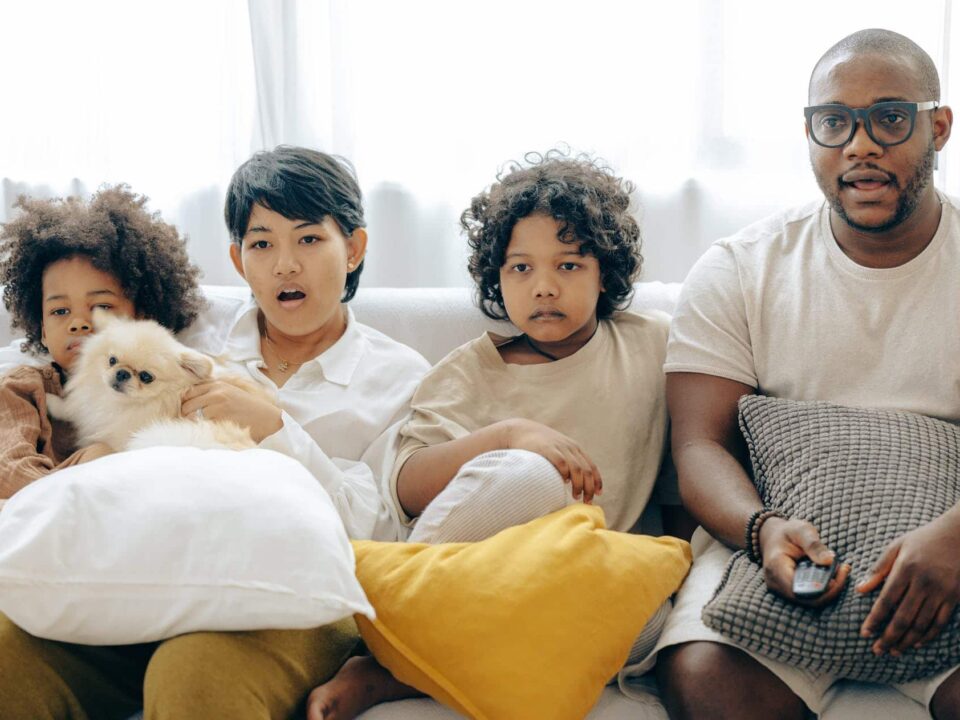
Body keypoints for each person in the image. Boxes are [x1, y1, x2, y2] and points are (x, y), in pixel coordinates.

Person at [0, 148, 430, 719]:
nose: (284, 265)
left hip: (292, 601)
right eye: (261, 244)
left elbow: (382, 532)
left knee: (195, 674)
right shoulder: (184, 334)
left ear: (353, 248)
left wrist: (279, 431)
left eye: (308, 239)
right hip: (150, 573)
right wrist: (106, 448)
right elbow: (78, 360)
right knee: (8, 651)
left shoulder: (400, 377)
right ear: (237, 258)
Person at [307, 150, 690, 719]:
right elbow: (407, 485)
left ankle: (411, 664)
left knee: (656, 621)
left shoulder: (651, 344)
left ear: (603, 272)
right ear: (496, 276)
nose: (543, 287)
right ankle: (388, 645)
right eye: (520, 268)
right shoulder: (469, 371)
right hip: (483, 581)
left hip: (587, 587)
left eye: (569, 266)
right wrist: (509, 434)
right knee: (531, 474)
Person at [645, 29, 960, 720]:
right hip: (784, 552)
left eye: (889, 117)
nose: (860, 144)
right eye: (834, 122)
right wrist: (761, 529)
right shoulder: (740, 267)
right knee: (704, 680)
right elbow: (699, 445)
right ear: (810, 133)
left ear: (938, 127)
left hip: (952, 545)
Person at [0, 185, 204, 498]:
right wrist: (94, 471)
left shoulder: (172, 388)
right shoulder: (21, 389)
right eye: (60, 310)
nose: (80, 322)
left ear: (140, 318)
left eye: (101, 308)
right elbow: (9, 469)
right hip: (54, 512)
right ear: (42, 328)